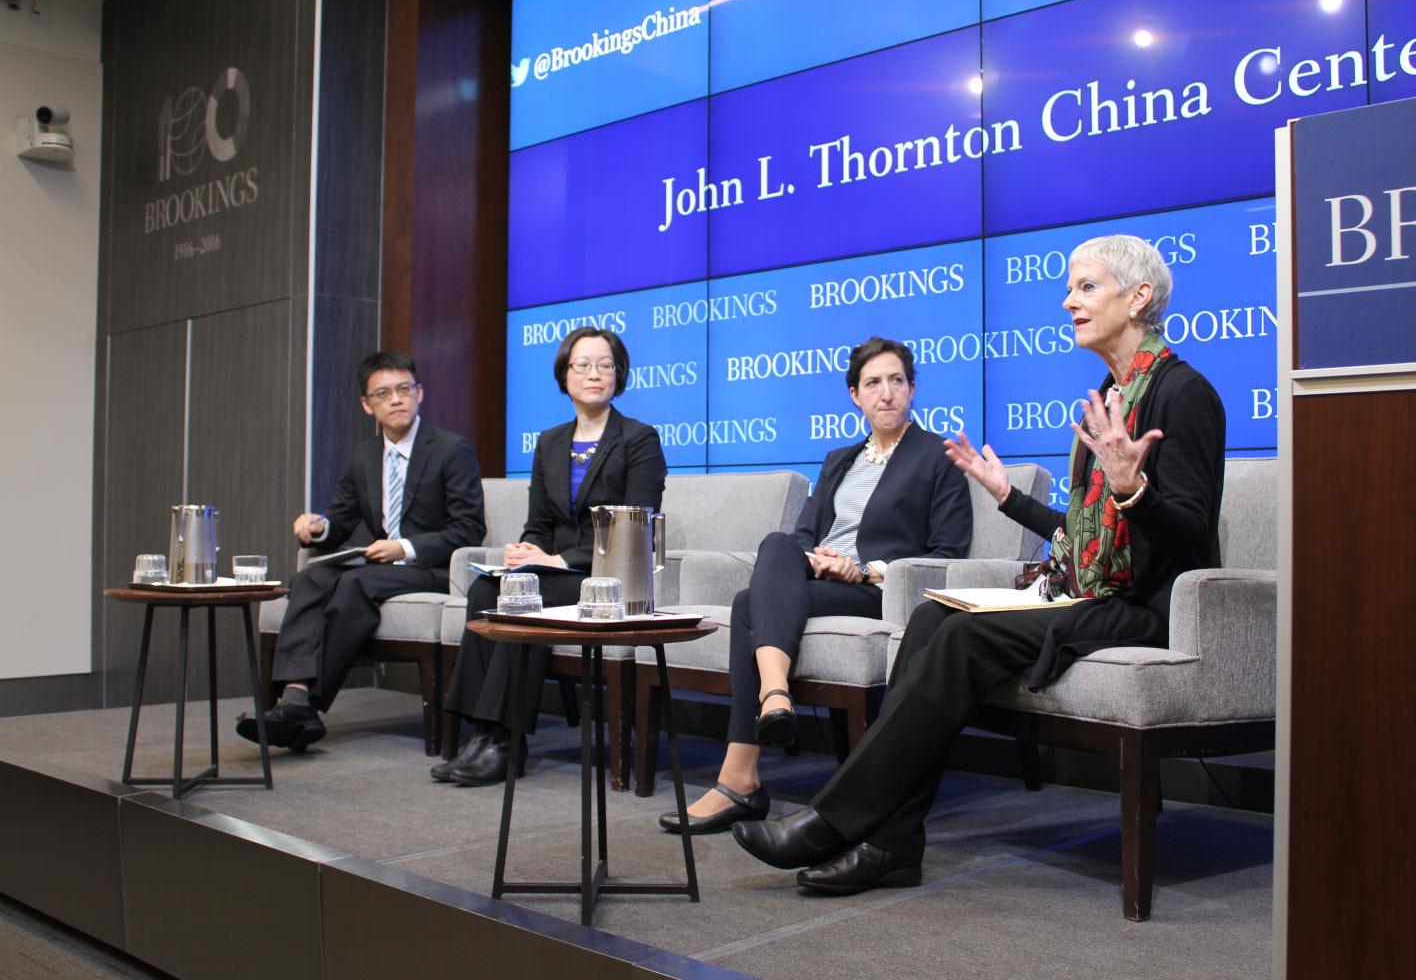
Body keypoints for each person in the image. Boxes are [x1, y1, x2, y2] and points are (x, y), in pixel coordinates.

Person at [731, 234, 1226, 894]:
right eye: (1069, 287)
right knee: (935, 617)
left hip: (1139, 612)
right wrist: (1007, 498)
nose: (1067, 300)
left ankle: (833, 817)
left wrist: (1134, 489)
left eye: (1085, 287)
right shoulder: (1113, 394)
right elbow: (1079, 540)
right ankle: (895, 846)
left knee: (962, 636)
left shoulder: (1183, 394)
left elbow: (1192, 538)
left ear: (1138, 298)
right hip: (1093, 594)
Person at [659, 337, 973, 835]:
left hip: (877, 592)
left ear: (913, 389)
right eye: (873, 383)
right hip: (820, 579)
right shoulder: (838, 460)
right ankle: (774, 701)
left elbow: (949, 555)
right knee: (778, 543)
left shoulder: (939, 457)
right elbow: (804, 535)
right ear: (855, 395)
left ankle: (742, 773)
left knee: (746, 605)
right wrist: (817, 559)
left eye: (897, 381)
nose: (886, 393)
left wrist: (864, 569)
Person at [432, 327, 666, 786]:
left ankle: (503, 741)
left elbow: (633, 524)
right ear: (565, 375)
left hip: (606, 579)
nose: (594, 374)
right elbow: (538, 521)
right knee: (486, 587)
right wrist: (525, 552)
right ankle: (481, 731)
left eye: (605, 365)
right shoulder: (550, 442)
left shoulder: (639, 439)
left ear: (619, 375)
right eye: (582, 365)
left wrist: (561, 560)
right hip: (554, 571)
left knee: (530, 595)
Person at [237, 351, 486, 751]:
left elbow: (469, 529)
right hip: (381, 569)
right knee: (309, 578)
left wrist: (402, 547)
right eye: (383, 393)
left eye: (405, 389)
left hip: (433, 568)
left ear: (420, 393)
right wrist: (317, 528)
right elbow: (340, 520)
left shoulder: (450, 449)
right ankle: (295, 696)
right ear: (367, 405)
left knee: (354, 583)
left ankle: (305, 707)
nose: (397, 400)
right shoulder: (364, 456)